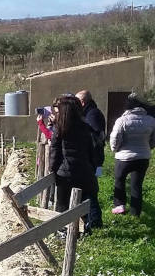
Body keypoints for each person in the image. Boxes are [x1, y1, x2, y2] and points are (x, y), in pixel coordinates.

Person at [49, 96, 101, 233]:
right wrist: (93, 167)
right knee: (88, 199)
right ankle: (93, 227)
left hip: (65, 173)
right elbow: (92, 151)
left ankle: (64, 231)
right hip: (85, 171)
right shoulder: (86, 127)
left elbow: (55, 152)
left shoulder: (60, 129)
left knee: (63, 205)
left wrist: (52, 170)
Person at [109, 94, 155, 216]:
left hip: (124, 157)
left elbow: (115, 138)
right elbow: (153, 139)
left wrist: (115, 149)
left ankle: (120, 206)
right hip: (143, 157)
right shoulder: (151, 120)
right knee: (136, 185)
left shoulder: (122, 120)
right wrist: (148, 147)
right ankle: (135, 213)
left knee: (119, 180)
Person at [76, 90, 106, 176]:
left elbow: (95, 136)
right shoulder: (90, 112)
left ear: (82, 102)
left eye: (76, 101)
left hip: (93, 157)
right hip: (93, 157)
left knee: (90, 183)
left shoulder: (92, 114)